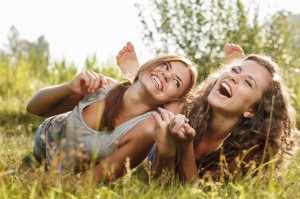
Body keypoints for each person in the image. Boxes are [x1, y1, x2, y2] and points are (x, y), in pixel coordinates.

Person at [116, 42, 299, 180]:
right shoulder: (182, 109)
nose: (234, 77)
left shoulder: (245, 152)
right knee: (164, 108)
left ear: (251, 110)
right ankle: (135, 76)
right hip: (153, 141)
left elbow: (193, 190)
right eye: (234, 70)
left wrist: (184, 145)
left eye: (248, 82)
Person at [26, 52, 198, 183]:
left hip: (66, 171)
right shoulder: (103, 86)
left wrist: (54, 184)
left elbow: (92, 180)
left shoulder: (145, 130)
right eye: (166, 66)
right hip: (46, 141)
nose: (166, 75)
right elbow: (33, 108)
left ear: (172, 100)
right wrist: (70, 88)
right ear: (149, 65)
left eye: (176, 82)